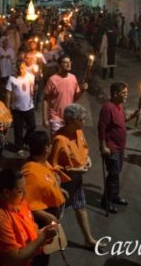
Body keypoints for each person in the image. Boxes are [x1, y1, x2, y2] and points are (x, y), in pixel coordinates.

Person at [0, 168, 58, 266]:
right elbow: (16, 258)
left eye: (24, 188)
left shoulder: (20, 202)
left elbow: (31, 228)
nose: (25, 193)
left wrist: (43, 233)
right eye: (20, 191)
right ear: (6, 193)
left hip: (34, 255)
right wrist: (43, 237)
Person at [49, 103, 103, 249]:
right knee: (56, 215)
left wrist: (87, 159)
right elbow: (52, 167)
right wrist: (72, 169)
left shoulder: (79, 132)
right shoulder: (59, 139)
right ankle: (49, 243)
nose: (84, 122)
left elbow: (84, 149)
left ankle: (89, 239)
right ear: (71, 121)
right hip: (64, 183)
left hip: (77, 180)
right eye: (81, 119)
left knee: (81, 207)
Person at [21, 131, 68, 266]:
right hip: (39, 227)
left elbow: (45, 183)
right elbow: (26, 204)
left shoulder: (43, 163)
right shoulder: (30, 173)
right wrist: (48, 217)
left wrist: (58, 189)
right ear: (46, 148)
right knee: (39, 258)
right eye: (49, 144)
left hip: (48, 224)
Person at [97, 82, 140, 213]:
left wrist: (132, 116)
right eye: (124, 93)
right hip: (112, 148)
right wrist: (103, 146)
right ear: (115, 94)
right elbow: (101, 127)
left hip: (120, 147)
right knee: (113, 174)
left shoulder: (119, 106)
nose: (126, 95)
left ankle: (114, 196)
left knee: (116, 173)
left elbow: (121, 121)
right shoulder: (107, 108)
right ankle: (106, 201)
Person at [42, 55, 87, 134]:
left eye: (69, 62)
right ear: (60, 65)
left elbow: (74, 98)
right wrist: (45, 118)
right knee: (57, 140)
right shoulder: (52, 80)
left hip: (69, 118)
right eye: (65, 62)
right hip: (55, 118)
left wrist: (82, 90)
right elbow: (45, 99)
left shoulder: (73, 78)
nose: (69, 64)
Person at [5, 61, 36, 157]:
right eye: (19, 68)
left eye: (22, 67)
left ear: (25, 67)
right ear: (16, 68)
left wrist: (34, 90)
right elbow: (8, 93)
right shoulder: (12, 79)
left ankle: (25, 141)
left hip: (29, 106)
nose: (21, 70)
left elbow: (32, 89)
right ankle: (19, 147)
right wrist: (7, 107)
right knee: (18, 129)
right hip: (17, 108)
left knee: (32, 126)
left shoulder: (31, 76)